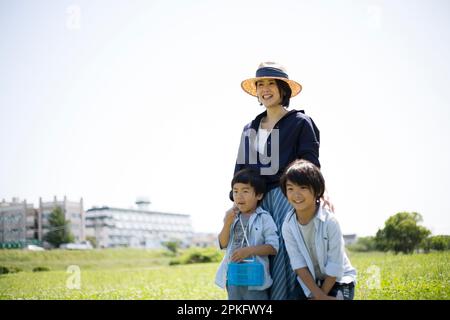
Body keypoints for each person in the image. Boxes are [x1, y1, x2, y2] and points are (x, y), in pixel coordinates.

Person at [233, 62, 321, 299]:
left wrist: (317, 193)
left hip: (286, 199)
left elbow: (310, 164)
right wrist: (235, 202)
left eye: (271, 83)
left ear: (283, 89)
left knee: (285, 254)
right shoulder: (249, 129)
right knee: (256, 256)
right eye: (260, 84)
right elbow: (240, 170)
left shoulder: (301, 122)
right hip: (255, 203)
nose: (265, 89)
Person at [280, 159, 356, 300]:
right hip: (311, 281)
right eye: (290, 188)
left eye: (302, 188)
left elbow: (335, 265)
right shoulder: (288, 225)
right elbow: (298, 264)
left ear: (317, 190)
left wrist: (320, 296)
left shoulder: (330, 222)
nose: (296, 195)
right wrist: (319, 295)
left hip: (338, 279)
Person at [215, 168, 279, 300]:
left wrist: (249, 251)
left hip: (255, 279)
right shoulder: (231, 216)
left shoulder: (264, 218)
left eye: (245, 191)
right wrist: (227, 223)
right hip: (233, 277)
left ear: (259, 195)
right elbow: (222, 244)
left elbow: (273, 247)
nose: (239, 196)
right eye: (235, 191)